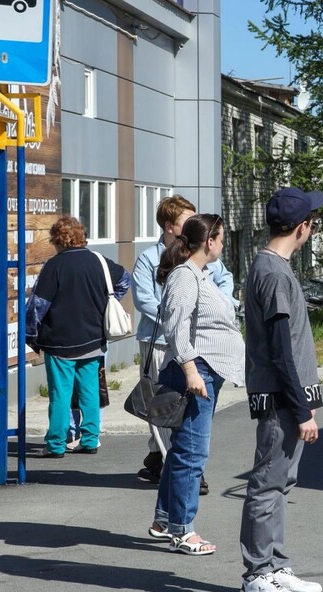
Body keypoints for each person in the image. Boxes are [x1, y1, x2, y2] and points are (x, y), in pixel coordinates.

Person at [237, 186, 323, 592]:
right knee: (267, 485)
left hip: (286, 398)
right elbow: (280, 350)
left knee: (280, 484)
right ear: (302, 227)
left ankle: (274, 566)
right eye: (313, 219)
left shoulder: (273, 268)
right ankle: (256, 576)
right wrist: (302, 409)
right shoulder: (273, 274)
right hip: (281, 399)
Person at [146, 214, 244, 555]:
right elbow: (176, 326)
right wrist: (191, 372)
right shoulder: (186, 277)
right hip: (195, 373)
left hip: (203, 371)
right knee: (192, 453)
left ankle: (163, 519)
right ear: (209, 242)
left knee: (182, 451)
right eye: (219, 238)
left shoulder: (200, 274)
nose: (222, 244)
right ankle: (183, 531)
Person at [133, 195, 236, 493]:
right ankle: (176, 470)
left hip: (199, 344)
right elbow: (145, 300)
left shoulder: (202, 252)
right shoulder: (149, 259)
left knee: (188, 411)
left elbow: (225, 279)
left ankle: (166, 461)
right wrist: (181, 318)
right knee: (165, 408)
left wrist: (220, 305)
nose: (194, 224)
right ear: (170, 227)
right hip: (163, 342)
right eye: (187, 221)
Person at [25, 217, 130, 458]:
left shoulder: (54, 266)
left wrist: (31, 335)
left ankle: (56, 444)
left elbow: (38, 306)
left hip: (59, 340)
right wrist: (105, 304)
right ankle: (90, 439)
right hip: (93, 338)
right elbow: (125, 280)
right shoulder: (98, 261)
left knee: (60, 395)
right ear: (81, 236)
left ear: (57, 240)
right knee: (90, 391)